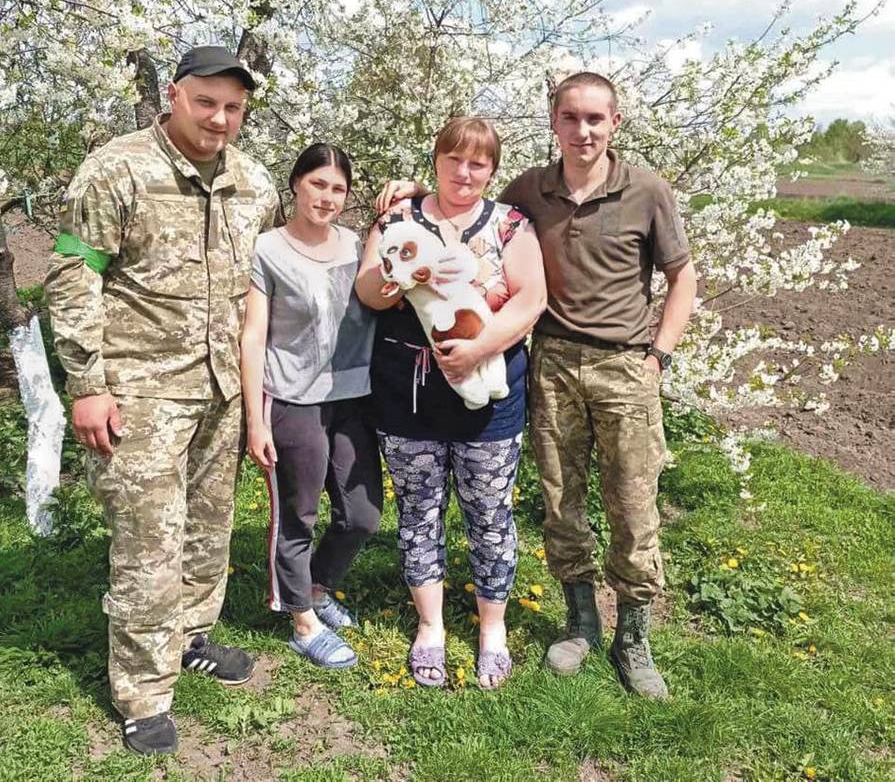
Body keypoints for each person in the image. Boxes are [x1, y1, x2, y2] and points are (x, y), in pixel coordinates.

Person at [376, 72, 698, 699]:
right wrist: (414, 188)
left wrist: (659, 355)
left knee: (633, 503)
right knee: (560, 500)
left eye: (595, 119)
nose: (583, 130)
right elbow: (464, 194)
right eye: (571, 118)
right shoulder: (532, 190)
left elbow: (682, 277)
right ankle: (579, 623)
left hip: (626, 364)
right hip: (552, 362)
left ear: (615, 124)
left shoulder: (647, 191)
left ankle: (633, 639)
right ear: (554, 123)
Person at [45, 46, 282, 754]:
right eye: (207, 101)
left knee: (207, 531)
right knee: (150, 545)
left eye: (233, 107)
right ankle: (143, 692)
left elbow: (265, 281)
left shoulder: (253, 181)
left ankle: (190, 636)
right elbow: (70, 271)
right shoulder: (116, 168)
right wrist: (86, 385)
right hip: (141, 391)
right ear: (174, 95)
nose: (219, 118)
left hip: (220, 388)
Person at [356, 117, 546, 690]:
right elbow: (366, 289)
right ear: (435, 160)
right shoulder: (397, 219)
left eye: (478, 164)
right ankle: (431, 626)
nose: (465, 173)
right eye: (454, 159)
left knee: (490, 516)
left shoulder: (511, 225)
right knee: (418, 512)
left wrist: (477, 348)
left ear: (492, 170)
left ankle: (493, 631)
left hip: (489, 400)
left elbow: (531, 299)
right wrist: (400, 275)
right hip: (406, 398)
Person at [240, 144, 382, 670]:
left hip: (350, 397)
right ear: (297, 184)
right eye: (318, 184)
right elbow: (254, 335)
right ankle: (301, 618)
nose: (327, 197)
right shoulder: (268, 249)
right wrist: (257, 419)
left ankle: (316, 586)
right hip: (292, 398)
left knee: (363, 515)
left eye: (338, 188)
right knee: (297, 514)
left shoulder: (358, 245)